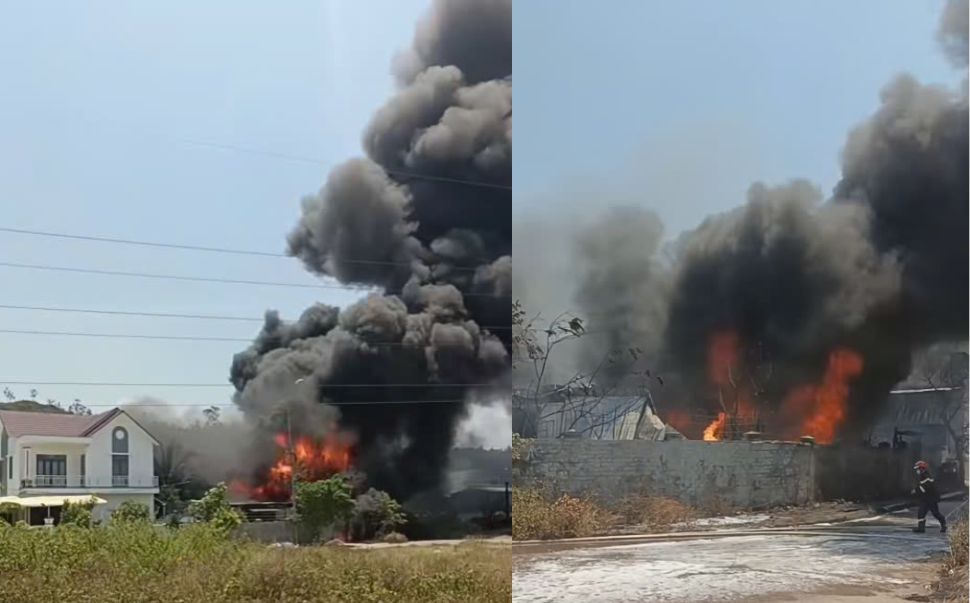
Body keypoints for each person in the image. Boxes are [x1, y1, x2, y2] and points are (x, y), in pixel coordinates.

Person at [912, 460, 946, 533]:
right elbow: (922, 487)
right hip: (925, 498)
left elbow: (926, 487)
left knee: (935, 513)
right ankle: (921, 528)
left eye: (917, 469)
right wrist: (917, 490)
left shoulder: (926, 476)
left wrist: (916, 490)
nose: (917, 471)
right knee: (921, 513)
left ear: (921, 468)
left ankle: (944, 525)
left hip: (931, 498)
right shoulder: (922, 476)